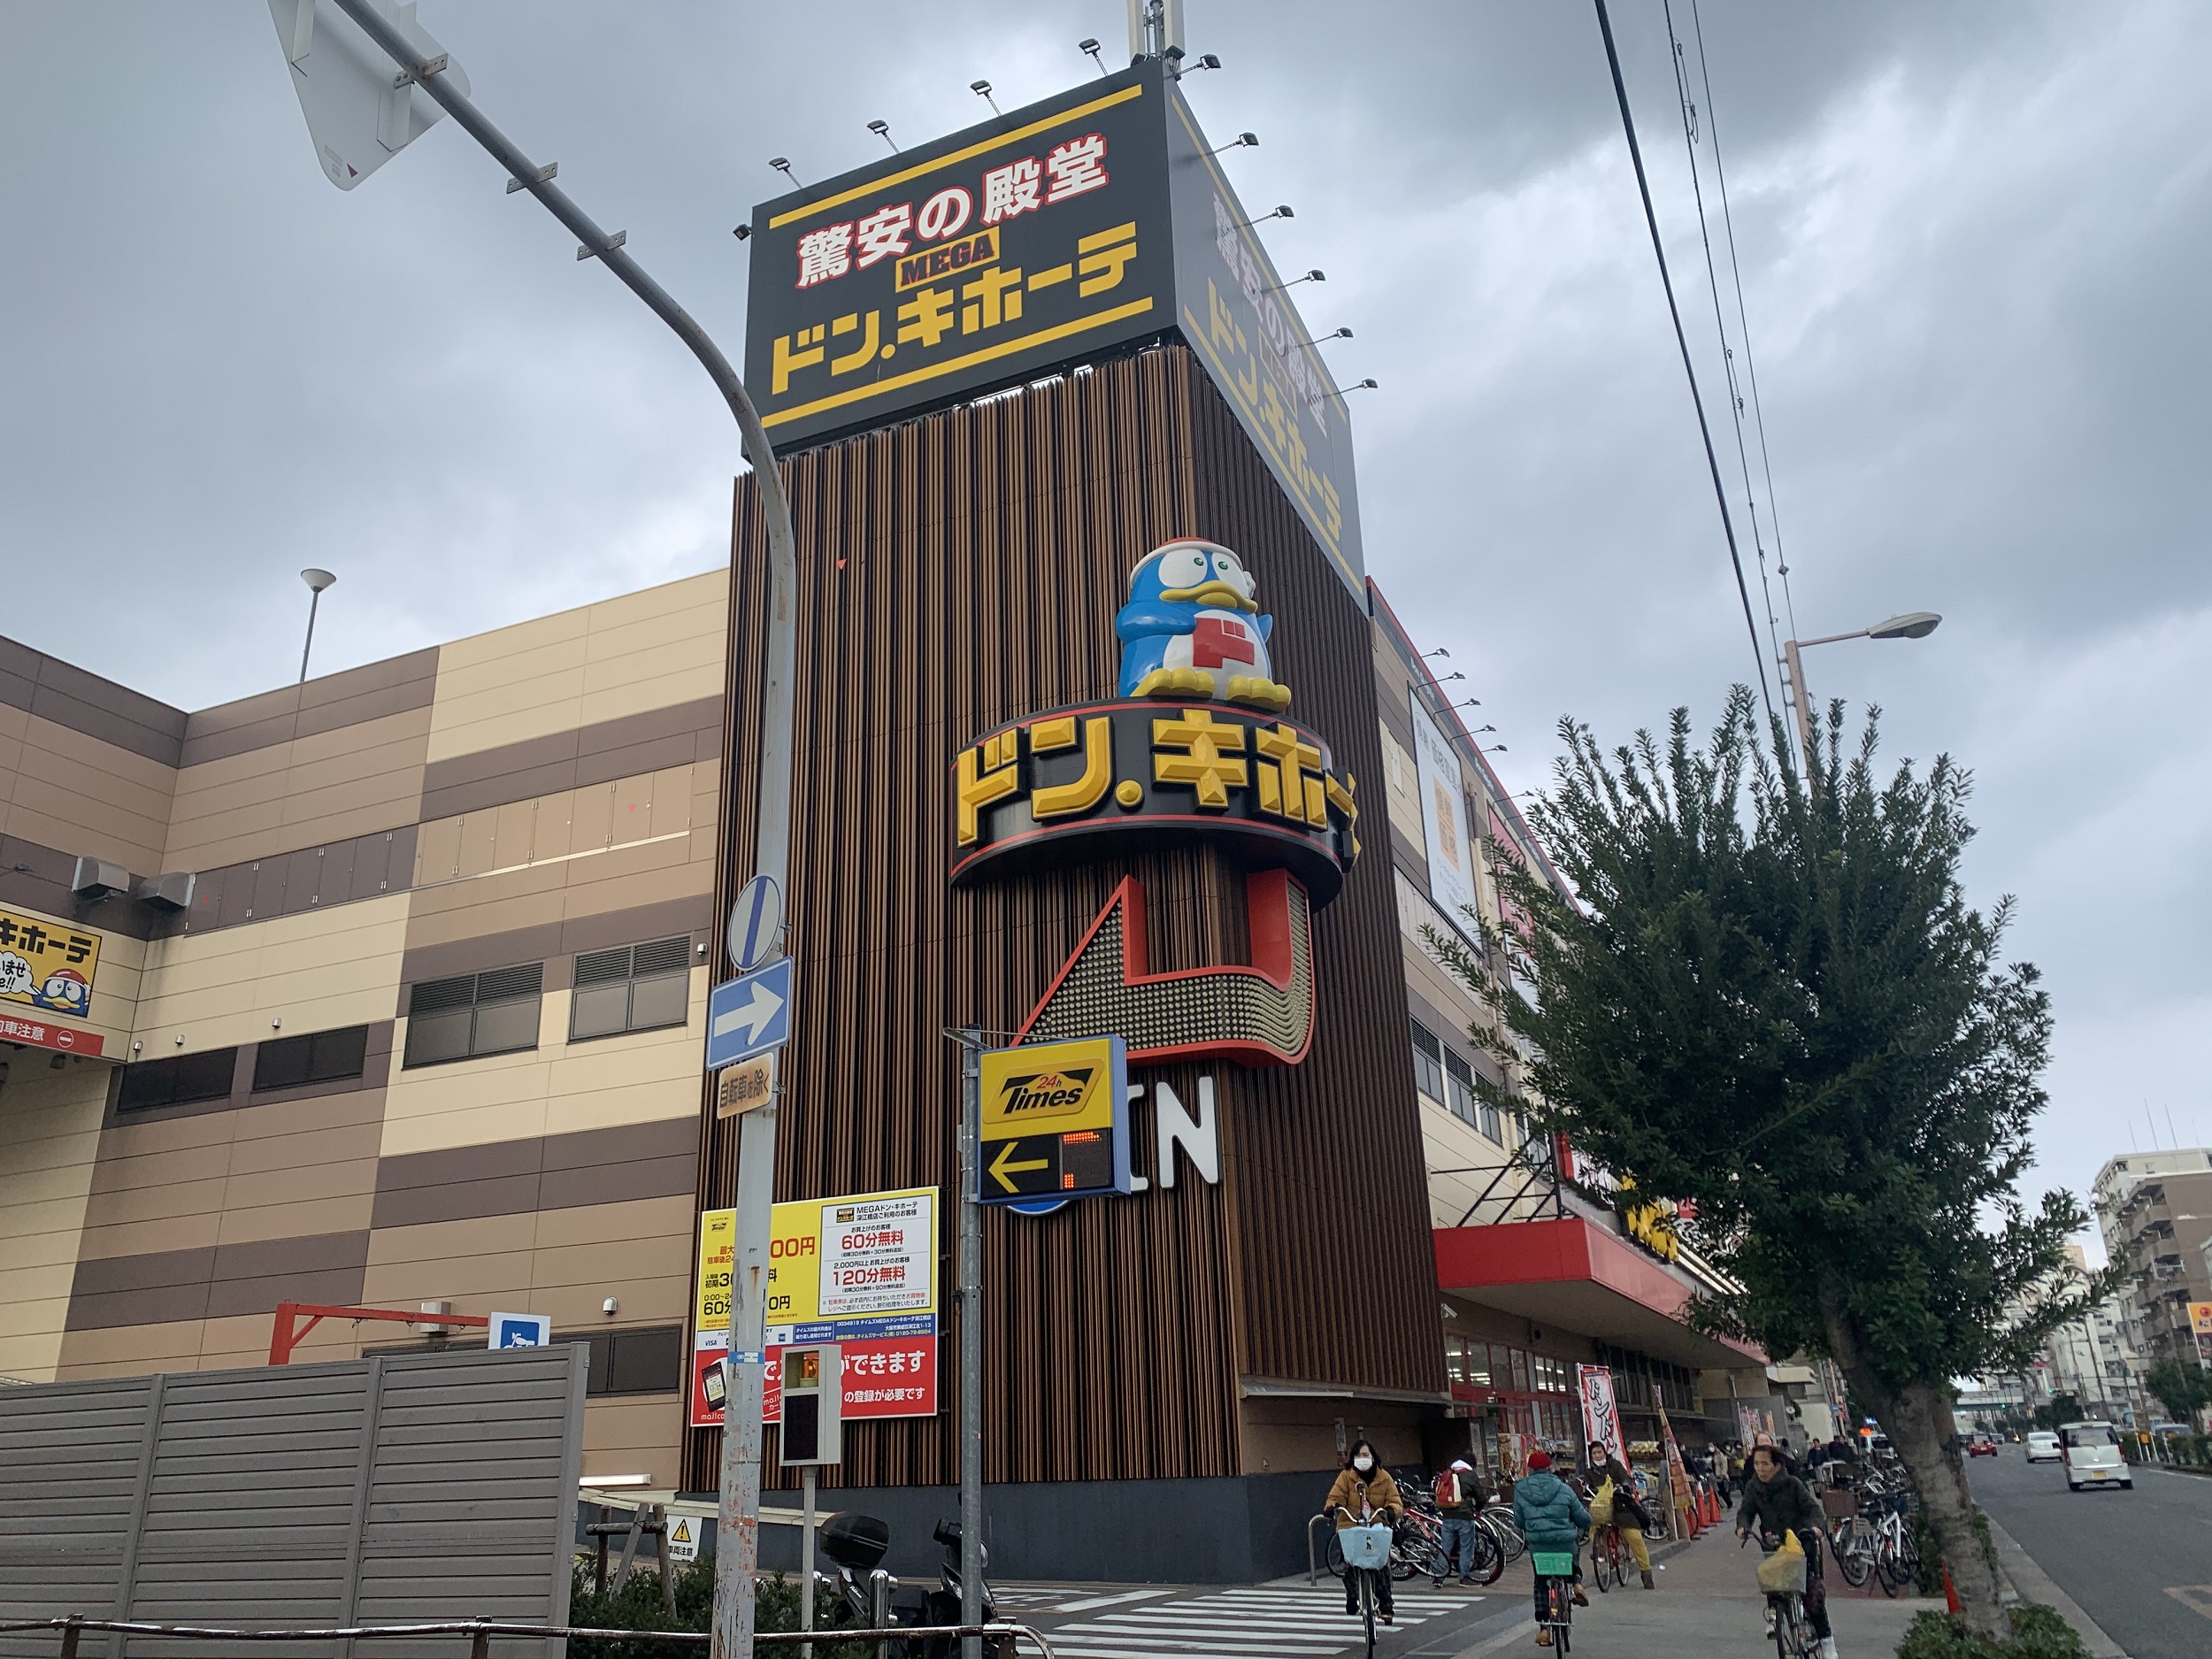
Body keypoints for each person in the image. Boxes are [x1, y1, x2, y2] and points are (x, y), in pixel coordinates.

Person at [1735, 1442, 1837, 1659]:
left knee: (1811, 1595)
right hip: (1773, 1541)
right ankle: (1776, 1616)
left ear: (1777, 1465)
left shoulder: (1792, 1484)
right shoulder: (1754, 1487)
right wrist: (1742, 1526)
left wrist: (1816, 1528)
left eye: (1765, 1464)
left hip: (1801, 1541)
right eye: (1757, 1464)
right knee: (1772, 1580)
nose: (1760, 1469)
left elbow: (1812, 1509)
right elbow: (1746, 1511)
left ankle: (1827, 1641)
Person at [1513, 1449, 1592, 1648]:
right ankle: (1576, 1583)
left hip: (1538, 1545)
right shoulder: (1563, 1488)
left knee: (1541, 1582)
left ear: (1530, 1469)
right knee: (1572, 1553)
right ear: (1549, 1468)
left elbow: (1519, 1521)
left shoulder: (1520, 1489)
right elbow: (1582, 1517)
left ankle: (1544, 1629)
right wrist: (1584, 1524)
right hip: (1564, 1542)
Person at [1325, 1440, 1403, 1622]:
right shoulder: (1346, 1477)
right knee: (1350, 1563)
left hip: (1376, 1526)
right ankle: (1352, 1595)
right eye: (1358, 1455)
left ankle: (1386, 1604)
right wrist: (1332, 1507)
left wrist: (1391, 1511)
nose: (1362, 1458)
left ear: (1373, 1457)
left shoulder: (1384, 1478)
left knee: (1381, 1563)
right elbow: (1335, 1496)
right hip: (1351, 1525)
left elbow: (1395, 1501)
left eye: (1366, 1455)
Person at [1586, 1440, 1656, 1589]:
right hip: (1601, 1508)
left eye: (1599, 1452)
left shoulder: (1615, 1465)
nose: (1597, 1455)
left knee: (1634, 1537)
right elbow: (1585, 1486)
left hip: (1621, 1506)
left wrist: (1624, 1485)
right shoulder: (1589, 1472)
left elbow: (1625, 1478)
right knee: (1593, 1530)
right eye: (1594, 1453)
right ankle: (1602, 1553)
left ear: (1605, 1452)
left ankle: (1646, 1572)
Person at [1432, 1456, 1486, 1586]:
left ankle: (1439, 1576)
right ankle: (1464, 1577)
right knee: (1466, 1548)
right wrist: (1478, 1509)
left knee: (1445, 1547)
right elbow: (1480, 1497)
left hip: (1447, 1516)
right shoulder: (1470, 1475)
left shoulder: (1447, 1473)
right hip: (1464, 1517)